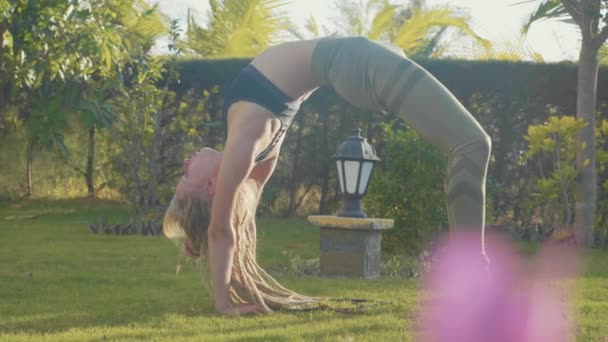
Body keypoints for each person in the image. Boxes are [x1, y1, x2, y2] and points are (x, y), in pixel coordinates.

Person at [163, 36, 492, 315]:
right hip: (357, 61)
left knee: (469, 142)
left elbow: (236, 225)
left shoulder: (254, 155)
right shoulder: (243, 146)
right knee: (472, 144)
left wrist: (202, 238)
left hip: (359, 60)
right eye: (185, 178)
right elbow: (221, 231)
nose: (185, 163)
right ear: (210, 186)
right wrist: (223, 301)